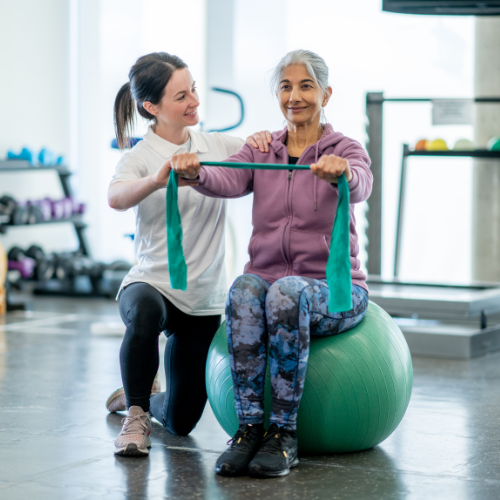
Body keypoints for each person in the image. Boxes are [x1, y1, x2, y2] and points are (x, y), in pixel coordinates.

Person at [171, 49, 373, 478]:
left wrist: (343, 173)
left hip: (335, 292)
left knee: (285, 292)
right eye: (285, 86)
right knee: (245, 288)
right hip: (270, 285)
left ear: (326, 93)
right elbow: (226, 177)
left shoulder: (344, 149)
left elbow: (361, 183)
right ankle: (248, 430)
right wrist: (194, 172)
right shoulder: (262, 148)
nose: (294, 96)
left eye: (305, 86)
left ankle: (283, 434)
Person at [107, 52, 271, 457]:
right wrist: (154, 180)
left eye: (193, 88)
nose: (195, 100)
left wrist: (266, 140)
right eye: (182, 96)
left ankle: (139, 396)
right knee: (144, 314)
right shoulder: (139, 157)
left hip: (200, 300)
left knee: (181, 422)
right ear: (152, 107)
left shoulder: (217, 145)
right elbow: (115, 197)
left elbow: (263, 156)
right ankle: (135, 411)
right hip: (152, 283)